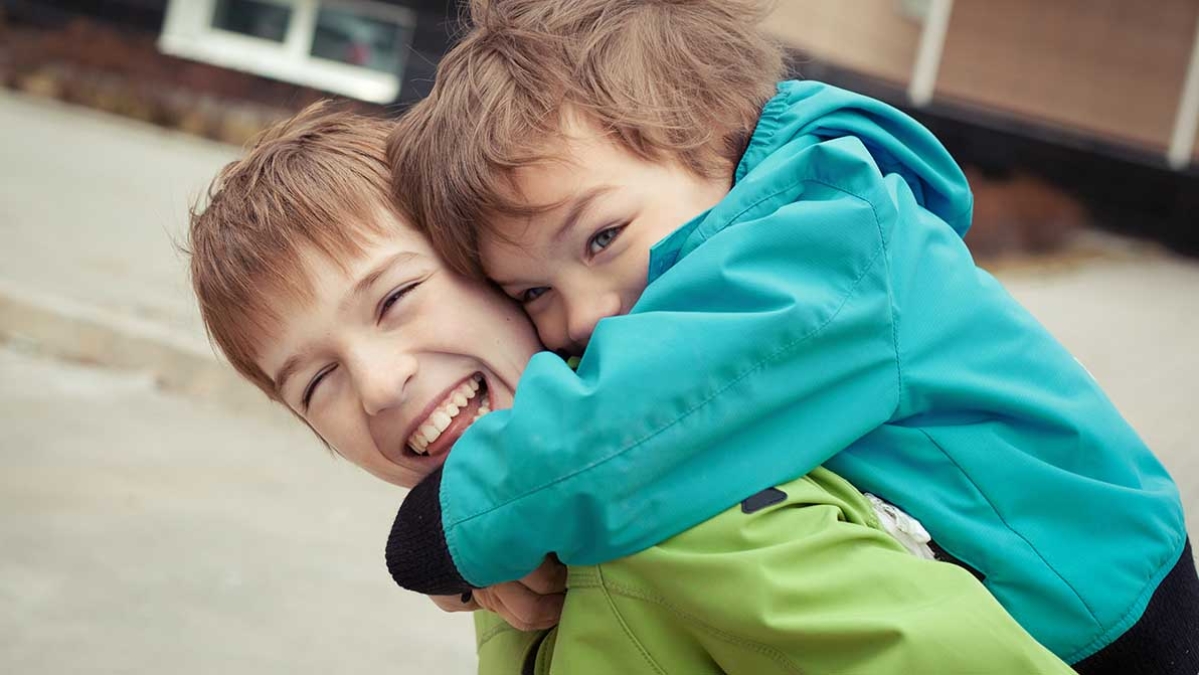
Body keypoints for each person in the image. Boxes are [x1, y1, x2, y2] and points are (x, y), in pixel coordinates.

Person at [383, 0, 1198, 671]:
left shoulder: (821, 248)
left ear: (725, 141)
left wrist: (464, 514)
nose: (587, 313)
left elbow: (643, 418)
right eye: (533, 291)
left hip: (1100, 604)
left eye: (600, 238)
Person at [185, 103, 1073, 673]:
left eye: (395, 297)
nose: (379, 384)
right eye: (318, 382)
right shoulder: (521, 528)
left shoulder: (663, 501)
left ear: (491, 264)